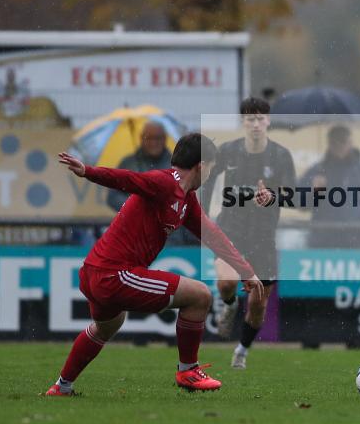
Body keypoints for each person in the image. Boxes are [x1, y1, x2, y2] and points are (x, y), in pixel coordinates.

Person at [45, 134, 263, 396]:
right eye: (213, 167)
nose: (211, 173)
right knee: (200, 296)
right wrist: (88, 172)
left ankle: (62, 386)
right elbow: (127, 178)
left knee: (107, 326)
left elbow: (212, 235)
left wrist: (245, 270)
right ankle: (188, 371)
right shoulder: (164, 182)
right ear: (201, 165)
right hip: (115, 274)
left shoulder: (186, 199)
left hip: (95, 271)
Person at [208, 97, 296, 370]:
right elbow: (207, 179)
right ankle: (229, 303)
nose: (256, 124)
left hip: (263, 235)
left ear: (268, 121)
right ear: (243, 122)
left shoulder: (281, 156)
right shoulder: (228, 151)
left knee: (258, 304)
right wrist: (198, 214)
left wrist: (272, 196)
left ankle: (242, 350)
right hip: (230, 229)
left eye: (260, 119)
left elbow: (292, 195)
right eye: (250, 119)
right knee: (226, 282)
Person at [298, 125, 360, 248]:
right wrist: (312, 190)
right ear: (329, 144)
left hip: (355, 245)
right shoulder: (317, 171)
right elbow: (301, 204)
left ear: (350, 143)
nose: (339, 146)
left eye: (343, 141)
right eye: (334, 142)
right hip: (322, 243)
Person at [106, 121, 172, 212]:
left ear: (165, 138)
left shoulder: (174, 165)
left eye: (157, 138)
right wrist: (136, 207)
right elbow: (113, 196)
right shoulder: (128, 164)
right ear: (141, 138)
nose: (153, 143)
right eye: (149, 138)